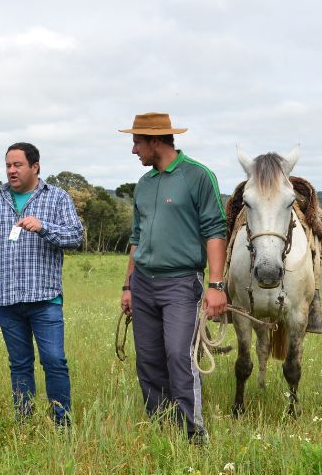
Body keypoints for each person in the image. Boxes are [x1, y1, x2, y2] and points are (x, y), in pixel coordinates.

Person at [0, 142, 83, 425]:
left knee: (54, 362)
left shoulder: (57, 198)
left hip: (45, 299)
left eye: (18, 165)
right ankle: (24, 423)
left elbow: (76, 237)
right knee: (20, 365)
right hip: (7, 301)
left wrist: (44, 227)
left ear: (35, 167)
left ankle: (62, 422)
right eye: (8, 165)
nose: (11, 171)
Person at [118, 113, 227, 443]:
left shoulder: (198, 176)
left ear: (155, 141)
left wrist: (216, 285)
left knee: (179, 355)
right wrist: (127, 285)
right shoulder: (145, 184)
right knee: (148, 360)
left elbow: (215, 231)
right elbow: (136, 238)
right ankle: (160, 428)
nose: (134, 150)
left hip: (181, 282)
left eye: (137, 142)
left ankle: (194, 436)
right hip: (143, 284)